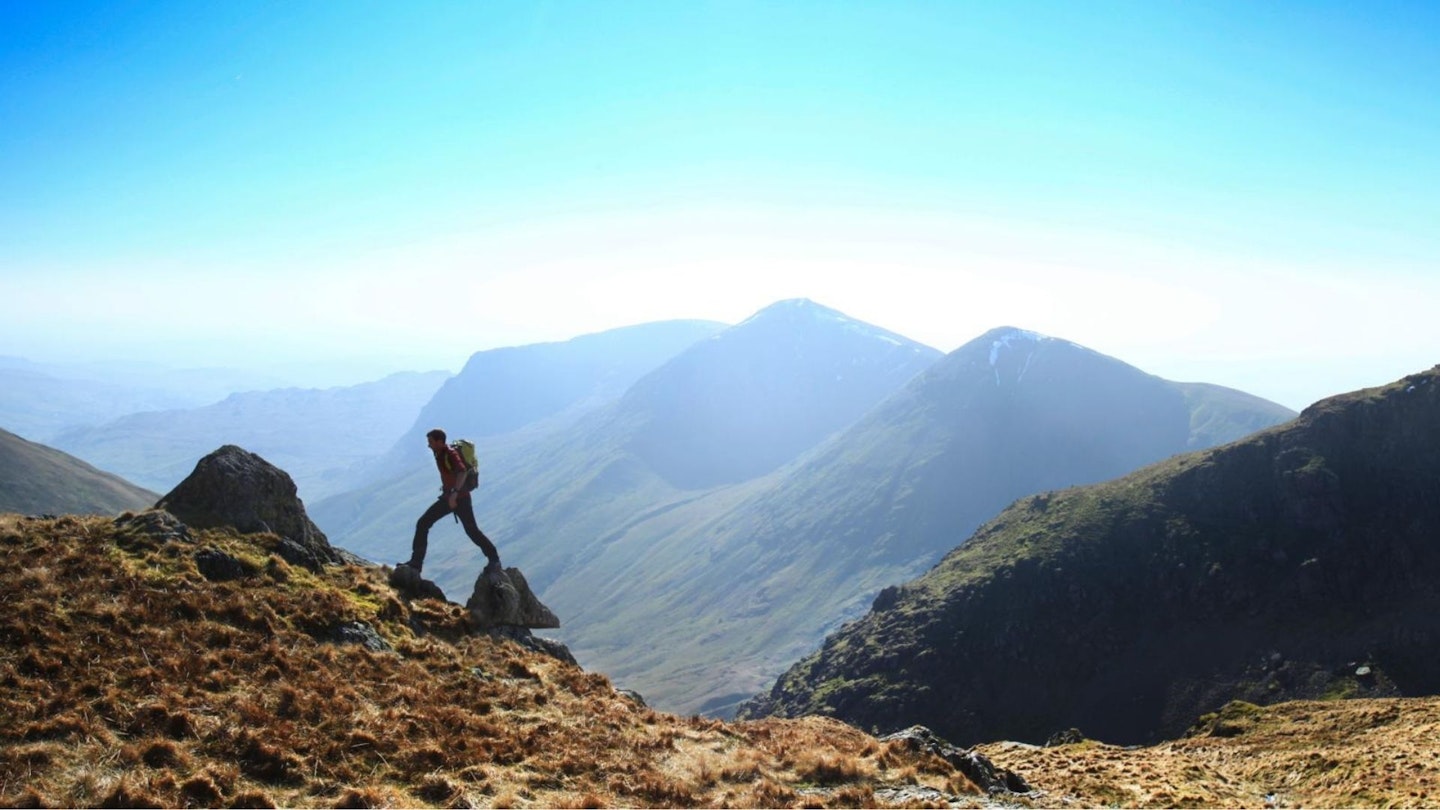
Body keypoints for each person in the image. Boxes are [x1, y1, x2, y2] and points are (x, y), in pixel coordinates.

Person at [403, 428, 501, 576]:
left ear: (440, 441)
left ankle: (494, 560)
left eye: (430, 442)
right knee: (424, 523)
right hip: (450, 498)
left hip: (458, 499)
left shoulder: (450, 453)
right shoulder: (439, 453)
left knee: (470, 530)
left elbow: (462, 471)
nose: (428, 445)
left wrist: (454, 494)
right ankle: (415, 564)